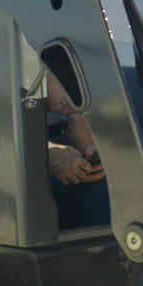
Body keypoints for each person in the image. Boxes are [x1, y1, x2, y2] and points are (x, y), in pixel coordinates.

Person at [46, 70, 110, 227]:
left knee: (101, 173)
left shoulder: (31, 52)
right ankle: (96, 249)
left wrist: (89, 149)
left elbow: (65, 109)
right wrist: (47, 151)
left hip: (35, 144)